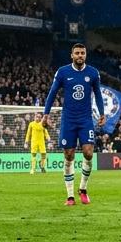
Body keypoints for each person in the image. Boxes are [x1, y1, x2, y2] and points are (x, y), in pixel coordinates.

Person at [40, 43, 107, 206]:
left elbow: (98, 94)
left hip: (85, 119)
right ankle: (70, 196)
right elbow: (52, 92)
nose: (80, 56)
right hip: (68, 119)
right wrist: (45, 115)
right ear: (72, 55)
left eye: (82, 53)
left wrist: (102, 112)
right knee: (69, 155)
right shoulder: (63, 72)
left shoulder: (93, 73)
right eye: (77, 53)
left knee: (88, 153)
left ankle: (83, 189)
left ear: (86, 55)